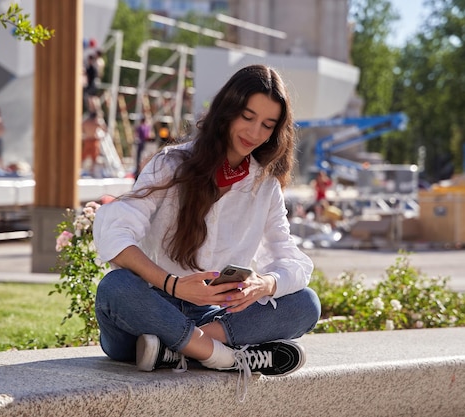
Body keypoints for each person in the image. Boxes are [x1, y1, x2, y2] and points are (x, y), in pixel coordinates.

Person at [93, 64, 321, 401]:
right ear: (227, 111)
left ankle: (179, 350)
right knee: (115, 287)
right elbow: (114, 233)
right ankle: (221, 357)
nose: (255, 132)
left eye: (267, 125)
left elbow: (290, 259)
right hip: (150, 310)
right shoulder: (170, 164)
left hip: (215, 315)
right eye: (248, 116)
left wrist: (265, 283)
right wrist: (172, 284)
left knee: (306, 303)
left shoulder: (265, 185)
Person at [81, 111, 106, 177]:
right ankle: (92, 172)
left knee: (84, 157)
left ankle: (84, 171)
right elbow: (104, 128)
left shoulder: (86, 122)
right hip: (94, 140)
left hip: (87, 140)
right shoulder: (96, 123)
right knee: (94, 158)